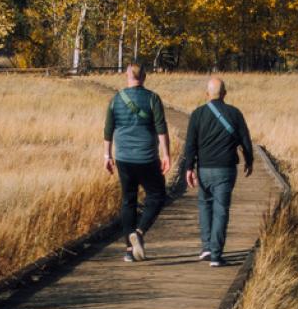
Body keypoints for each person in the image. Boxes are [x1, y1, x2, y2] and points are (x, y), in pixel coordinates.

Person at [103, 61, 171, 263]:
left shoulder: (116, 99)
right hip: (147, 157)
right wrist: (166, 154)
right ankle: (139, 232)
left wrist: (107, 156)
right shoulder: (153, 99)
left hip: (123, 158)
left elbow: (108, 130)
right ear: (144, 76)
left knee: (128, 200)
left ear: (127, 76)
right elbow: (161, 128)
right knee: (157, 195)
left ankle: (128, 250)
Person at [184, 76, 253, 267]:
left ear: (207, 94)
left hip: (204, 169)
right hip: (226, 169)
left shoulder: (197, 114)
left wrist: (189, 168)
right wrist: (249, 161)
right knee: (221, 210)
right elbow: (245, 140)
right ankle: (216, 254)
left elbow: (190, 144)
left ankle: (206, 247)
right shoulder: (234, 113)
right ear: (224, 94)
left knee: (205, 206)